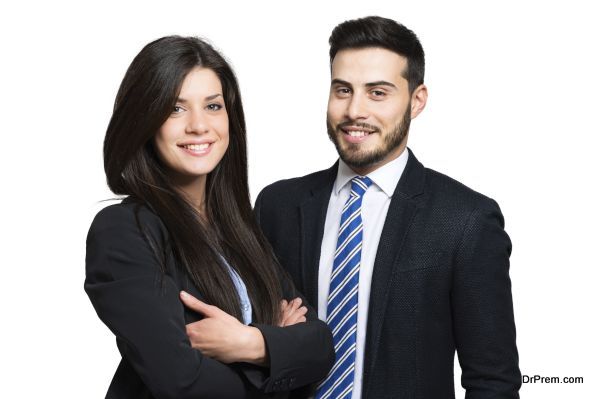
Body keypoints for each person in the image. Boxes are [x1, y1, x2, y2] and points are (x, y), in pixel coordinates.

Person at [255, 16, 521, 399]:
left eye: (377, 93)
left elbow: (493, 382)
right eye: (342, 90)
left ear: (416, 101)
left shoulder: (466, 221)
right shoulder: (277, 206)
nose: (354, 111)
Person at [85, 36, 334, 398]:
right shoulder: (124, 231)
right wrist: (277, 349)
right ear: (145, 120)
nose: (199, 126)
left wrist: (248, 343)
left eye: (213, 106)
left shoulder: (238, 229)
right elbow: (181, 382)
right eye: (175, 109)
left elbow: (319, 346)